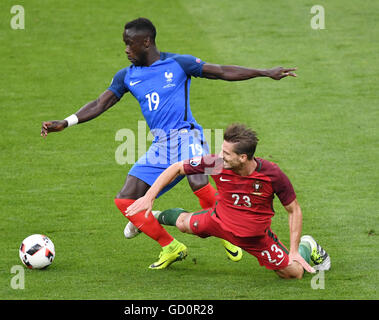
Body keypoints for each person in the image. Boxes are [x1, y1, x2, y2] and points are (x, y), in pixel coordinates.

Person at [40, 17, 298, 270]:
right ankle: (170, 246)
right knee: (125, 201)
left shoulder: (178, 63)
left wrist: (264, 73)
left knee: (198, 179)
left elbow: (220, 71)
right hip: (161, 145)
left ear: (147, 41)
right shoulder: (126, 76)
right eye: (125, 44)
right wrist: (66, 121)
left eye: (130, 44)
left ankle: (227, 235)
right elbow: (100, 103)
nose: (126, 50)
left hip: (187, 136)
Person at [126, 123, 331, 278]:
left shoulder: (272, 174)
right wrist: (149, 196)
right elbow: (178, 167)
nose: (220, 156)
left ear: (243, 157)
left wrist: (294, 250)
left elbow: (293, 210)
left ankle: (308, 245)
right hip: (218, 221)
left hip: (256, 239)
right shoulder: (216, 163)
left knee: (293, 273)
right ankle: (152, 216)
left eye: (226, 153)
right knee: (182, 224)